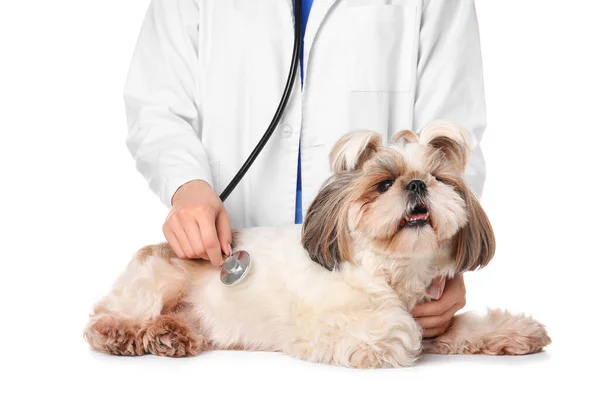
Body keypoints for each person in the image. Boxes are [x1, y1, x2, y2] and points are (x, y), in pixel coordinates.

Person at [124, 0, 486, 338]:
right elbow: (156, 104)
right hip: (230, 283)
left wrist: (443, 260)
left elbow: (454, 138)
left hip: (378, 285)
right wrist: (186, 185)